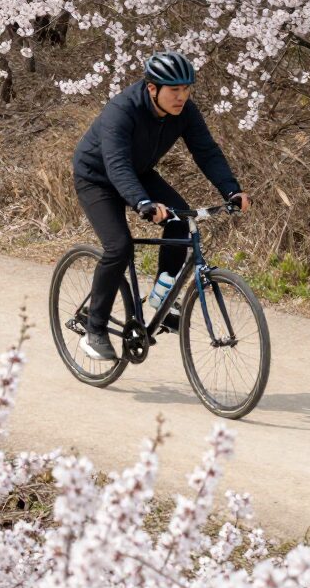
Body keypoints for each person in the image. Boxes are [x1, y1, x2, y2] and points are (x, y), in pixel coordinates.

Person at [72, 50, 250, 362]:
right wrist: (142, 201)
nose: (182, 97)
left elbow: (206, 151)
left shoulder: (185, 112)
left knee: (180, 222)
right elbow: (116, 165)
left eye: (186, 89)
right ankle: (95, 327)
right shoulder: (121, 111)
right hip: (97, 178)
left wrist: (232, 191)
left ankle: (161, 298)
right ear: (152, 88)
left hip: (138, 172)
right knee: (119, 246)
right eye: (174, 90)